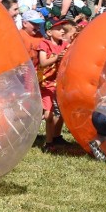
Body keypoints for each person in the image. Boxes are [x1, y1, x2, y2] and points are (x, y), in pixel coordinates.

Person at [38, 19, 72, 150]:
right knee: (48, 115)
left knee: (57, 112)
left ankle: (53, 139)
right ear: (49, 32)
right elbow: (42, 62)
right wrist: (57, 57)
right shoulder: (44, 44)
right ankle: (49, 142)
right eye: (58, 29)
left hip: (59, 84)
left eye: (63, 28)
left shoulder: (64, 44)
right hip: (46, 83)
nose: (62, 31)